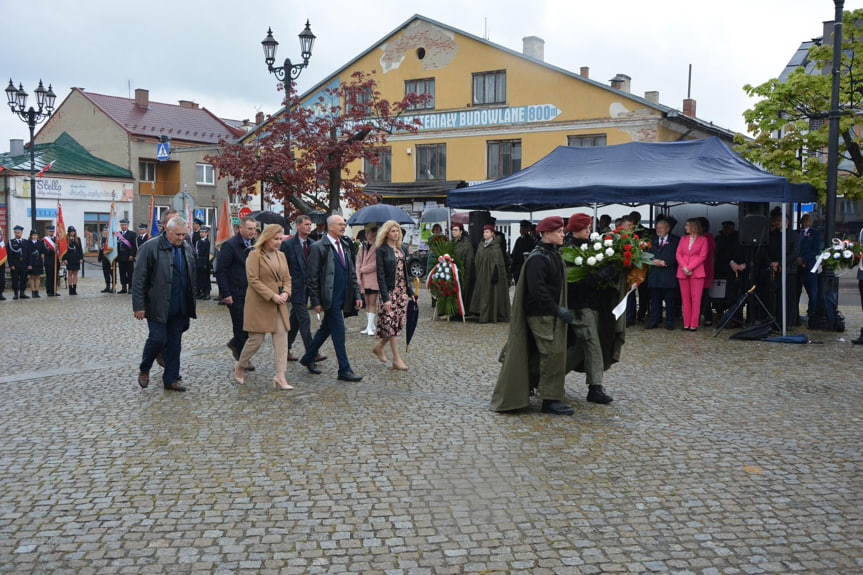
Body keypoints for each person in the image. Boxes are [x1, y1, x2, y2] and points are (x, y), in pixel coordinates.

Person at [491, 216, 574, 415]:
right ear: (546, 234)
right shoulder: (539, 258)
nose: (563, 234)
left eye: (563, 231)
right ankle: (550, 399)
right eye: (559, 231)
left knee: (548, 353)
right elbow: (537, 291)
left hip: (547, 313)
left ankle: (540, 388)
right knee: (552, 354)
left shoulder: (551, 254)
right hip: (541, 315)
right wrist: (557, 310)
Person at [132, 216, 196, 392]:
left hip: (180, 305)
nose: (181, 238)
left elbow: (191, 275)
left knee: (175, 343)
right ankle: (145, 368)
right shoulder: (150, 247)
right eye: (177, 234)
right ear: (167, 230)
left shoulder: (186, 248)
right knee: (158, 339)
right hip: (157, 304)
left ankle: (171, 379)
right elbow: (139, 279)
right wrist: (139, 306)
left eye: (184, 234)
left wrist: (192, 300)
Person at [299, 214, 363, 382]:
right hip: (330, 298)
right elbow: (312, 277)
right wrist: (316, 301)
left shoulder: (346, 245)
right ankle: (344, 369)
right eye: (340, 224)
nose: (343, 226)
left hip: (344, 295)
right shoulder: (319, 247)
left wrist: (357, 294)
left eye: (344, 224)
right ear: (331, 227)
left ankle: (308, 357)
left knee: (326, 329)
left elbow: (352, 273)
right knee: (338, 333)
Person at [565, 213, 619, 404]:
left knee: (581, 347)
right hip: (579, 306)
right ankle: (595, 388)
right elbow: (571, 283)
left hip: (595, 306)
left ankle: (545, 377)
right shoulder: (568, 252)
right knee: (592, 344)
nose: (589, 230)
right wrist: (598, 277)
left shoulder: (591, 248)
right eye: (585, 227)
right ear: (575, 229)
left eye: (589, 227)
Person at [232, 224, 294, 390]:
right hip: (260, 303)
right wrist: (271, 295)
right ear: (267, 238)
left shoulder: (281, 255)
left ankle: (280, 375)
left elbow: (287, 278)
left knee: (282, 338)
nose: (279, 242)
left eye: (281, 239)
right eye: (276, 239)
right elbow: (253, 280)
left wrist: (286, 293)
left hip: (279, 303)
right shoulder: (254, 255)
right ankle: (240, 365)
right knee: (256, 340)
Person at [281, 215, 327, 364]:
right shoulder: (288, 245)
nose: (309, 227)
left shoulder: (313, 243)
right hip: (295, 287)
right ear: (298, 226)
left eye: (310, 224)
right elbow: (284, 267)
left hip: (309, 287)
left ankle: (285, 348)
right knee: (304, 319)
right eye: (306, 224)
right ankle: (312, 352)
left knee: (295, 319)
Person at [372, 220, 416, 371]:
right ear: (386, 233)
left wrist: (410, 292)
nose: (396, 234)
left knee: (396, 325)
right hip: (389, 292)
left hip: (402, 291)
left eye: (397, 231)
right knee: (390, 325)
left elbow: (405, 273)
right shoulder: (381, 250)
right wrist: (385, 298)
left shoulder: (401, 249)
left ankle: (379, 347)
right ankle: (396, 360)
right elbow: (381, 275)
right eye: (393, 231)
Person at [216, 216, 257, 362]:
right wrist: (226, 293)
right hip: (236, 292)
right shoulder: (230, 245)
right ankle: (242, 358)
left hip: (252, 293)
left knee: (251, 326)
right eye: (249, 229)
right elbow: (221, 270)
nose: (253, 232)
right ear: (241, 228)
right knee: (240, 326)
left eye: (254, 229)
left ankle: (235, 344)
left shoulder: (255, 244)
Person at [469, 225, 511, 323]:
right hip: (481, 274)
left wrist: (495, 272)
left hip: (492, 275)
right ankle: (481, 313)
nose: (485, 234)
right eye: (484, 232)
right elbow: (477, 259)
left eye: (487, 232)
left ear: (492, 233)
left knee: (492, 294)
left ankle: (491, 315)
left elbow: (499, 262)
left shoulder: (496, 247)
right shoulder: (481, 245)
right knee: (482, 293)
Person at [646, 217, 679, 330]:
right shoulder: (652, 240)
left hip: (668, 275)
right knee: (655, 301)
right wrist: (653, 261)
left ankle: (669, 321)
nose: (658, 230)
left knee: (669, 301)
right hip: (654, 275)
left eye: (661, 228)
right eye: (657, 227)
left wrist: (665, 263)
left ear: (668, 228)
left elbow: (678, 255)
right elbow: (646, 254)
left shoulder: (676, 240)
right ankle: (654, 321)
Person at [676, 218, 708, 331]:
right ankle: (686, 323)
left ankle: (694, 324)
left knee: (696, 298)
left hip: (697, 271)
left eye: (687, 225)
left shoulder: (703, 240)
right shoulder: (683, 239)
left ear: (694, 226)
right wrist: (684, 267)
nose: (685, 227)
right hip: (683, 271)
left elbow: (702, 256)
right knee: (685, 298)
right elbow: (678, 254)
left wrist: (689, 267)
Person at [355, 222, 380, 335]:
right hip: (363, 279)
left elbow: (377, 263)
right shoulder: (363, 246)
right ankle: (370, 325)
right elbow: (358, 262)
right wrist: (358, 276)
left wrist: (363, 269)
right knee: (366, 302)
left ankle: (370, 326)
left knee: (372, 302)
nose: (366, 234)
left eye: (369, 232)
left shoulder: (378, 246)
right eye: (365, 232)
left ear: (374, 233)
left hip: (373, 278)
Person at [796, 214, 821, 322]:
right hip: (796, 266)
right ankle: (794, 314)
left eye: (808, 219)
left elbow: (816, 250)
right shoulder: (796, 233)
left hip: (809, 266)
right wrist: (797, 259)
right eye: (804, 219)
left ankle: (812, 313)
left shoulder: (815, 234)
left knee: (812, 291)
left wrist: (804, 259)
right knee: (795, 291)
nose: (805, 221)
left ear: (811, 222)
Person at [450, 222, 474, 314]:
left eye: (456, 230)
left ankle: (462, 312)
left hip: (462, 272)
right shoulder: (451, 243)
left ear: (461, 232)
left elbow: (469, 260)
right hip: (452, 272)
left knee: (463, 293)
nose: (454, 232)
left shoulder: (466, 244)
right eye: (453, 230)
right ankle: (452, 311)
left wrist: (466, 273)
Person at [8, 225, 30, 299]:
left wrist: (29, 264)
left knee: (24, 279)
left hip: (24, 263)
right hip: (15, 264)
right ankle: (16, 293)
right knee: (15, 279)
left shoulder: (26, 242)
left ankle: (22, 292)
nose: (17, 234)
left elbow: (29, 254)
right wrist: (11, 264)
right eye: (16, 233)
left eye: (19, 233)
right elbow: (9, 255)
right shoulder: (11, 242)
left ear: (22, 233)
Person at [115, 218, 137, 294]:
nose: (123, 226)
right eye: (122, 225)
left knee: (130, 272)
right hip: (120, 256)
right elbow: (116, 246)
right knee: (122, 272)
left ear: (128, 225)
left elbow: (134, 246)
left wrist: (132, 255)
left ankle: (130, 287)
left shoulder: (132, 234)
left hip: (129, 256)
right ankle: (123, 287)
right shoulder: (118, 234)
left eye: (125, 225)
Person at [510, 219, 534, 285]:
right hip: (517, 266)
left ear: (528, 229)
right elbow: (515, 251)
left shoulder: (530, 241)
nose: (521, 230)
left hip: (523, 265)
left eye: (523, 228)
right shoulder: (519, 239)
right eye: (520, 228)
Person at [63, 226, 84, 295]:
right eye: (71, 231)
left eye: (73, 231)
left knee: (75, 273)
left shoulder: (78, 239)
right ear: (69, 232)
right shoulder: (66, 239)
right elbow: (64, 250)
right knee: (70, 273)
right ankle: (70, 288)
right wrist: (65, 258)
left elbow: (80, 249)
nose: (72, 233)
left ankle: (74, 288)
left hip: (76, 258)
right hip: (69, 258)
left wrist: (81, 258)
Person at [42, 224, 61, 297]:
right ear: (47, 232)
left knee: (55, 276)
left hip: (56, 260)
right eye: (50, 231)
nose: (51, 233)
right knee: (49, 276)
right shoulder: (45, 240)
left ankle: (55, 290)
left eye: (53, 231)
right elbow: (45, 250)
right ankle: (49, 291)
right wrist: (53, 250)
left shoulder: (56, 239)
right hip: (49, 260)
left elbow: (60, 249)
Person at [194, 226, 212, 299]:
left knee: (205, 278)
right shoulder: (198, 241)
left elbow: (208, 254)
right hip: (198, 262)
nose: (201, 233)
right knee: (199, 278)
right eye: (201, 232)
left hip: (205, 262)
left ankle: (207, 292)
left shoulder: (208, 242)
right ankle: (201, 292)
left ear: (207, 233)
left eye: (203, 232)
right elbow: (196, 252)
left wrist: (205, 264)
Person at [27, 229, 45, 298]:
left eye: (36, 235)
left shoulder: (40, 243)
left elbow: (43, 251)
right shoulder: (28, 243)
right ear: (31, 236)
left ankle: (37, 291)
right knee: (32, 277)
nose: (35, 236)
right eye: (33, 235)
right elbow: (27, 254)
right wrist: (29, 264)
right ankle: (33, 291)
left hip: (38, 262)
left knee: (38, 277)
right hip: (31, 262)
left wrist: (43, 254)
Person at [97, 226, 114, 293]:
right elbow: (101, 249)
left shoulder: (112, 239)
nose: (105, 232)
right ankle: (107, 286)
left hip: (110, 258)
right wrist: (99, 257)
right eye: (104, 230)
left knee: (112, 273)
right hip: (104, 258)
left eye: (106, 230)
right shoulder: (103, 238)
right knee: (105, 273)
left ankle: (113, 286)